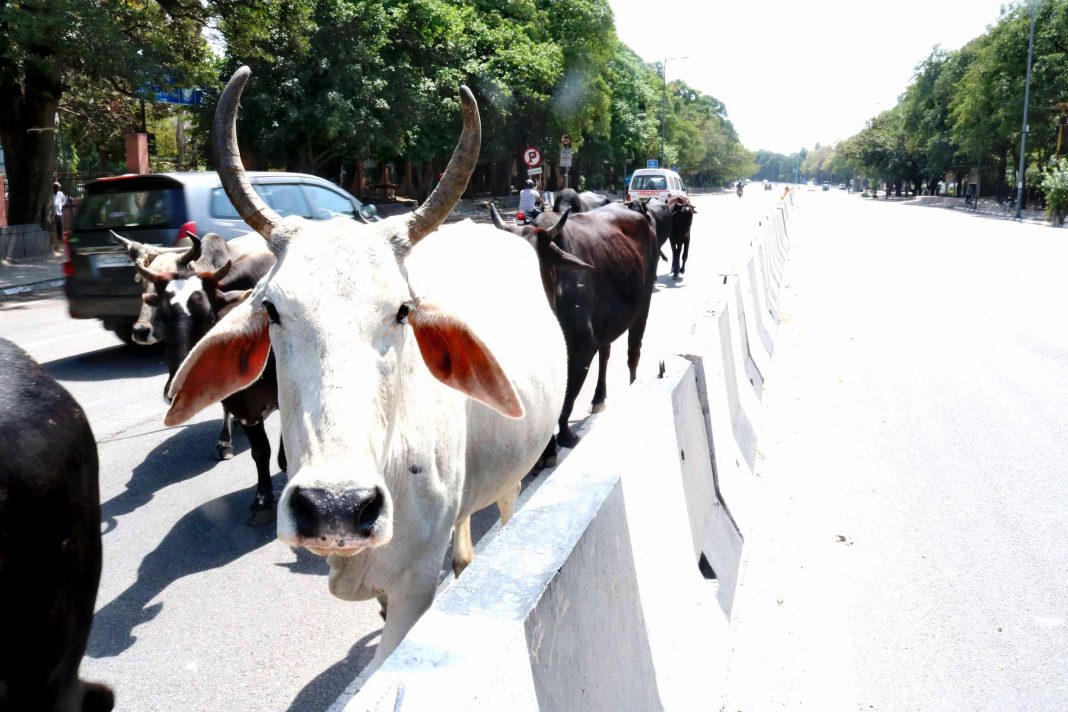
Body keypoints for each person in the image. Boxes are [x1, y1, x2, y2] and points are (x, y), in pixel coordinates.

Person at [51, 182, 67, 254]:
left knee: (60, 228)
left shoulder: (60, 193)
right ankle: (55, 245)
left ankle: (60, 244)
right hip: (53, 214)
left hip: (59, 213)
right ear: (53, 187)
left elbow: (64, 199)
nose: (56, 189)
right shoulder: (50, 194)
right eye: (55, 187)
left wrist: (61, 205)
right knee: (54, 229)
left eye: (58, 188)